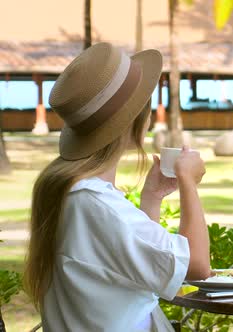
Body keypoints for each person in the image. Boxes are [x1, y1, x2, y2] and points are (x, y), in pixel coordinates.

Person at [23, 42, 210, 331]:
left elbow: (133, 261)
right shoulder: (97, 205)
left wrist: (152, 198)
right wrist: (188, 183)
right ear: (138, 122)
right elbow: (197, 266)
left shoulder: (69, 191)